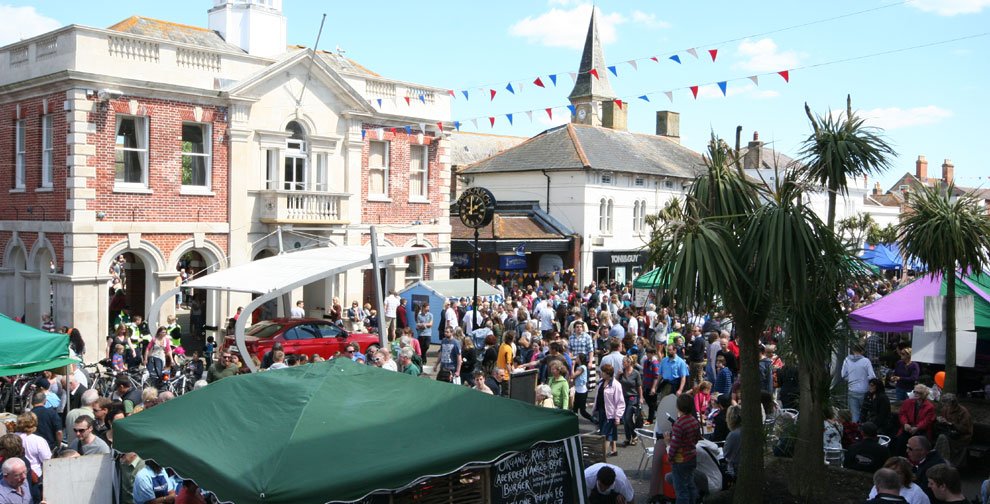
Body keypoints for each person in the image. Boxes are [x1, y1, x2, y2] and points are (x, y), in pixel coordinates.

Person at [664, 393, 701, 504]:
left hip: (680, 461)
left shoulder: (679, 424)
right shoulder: (694, 421)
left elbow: (674, 445)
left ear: (678, 407)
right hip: (692, 458)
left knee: (681, 491)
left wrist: (668, 449)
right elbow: (697, 439)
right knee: (690, 485)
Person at [866, 456, 931, 504]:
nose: (892, 476)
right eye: (890, 472)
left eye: (898, 473)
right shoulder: (879, 486)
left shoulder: (916, 492)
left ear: (906, 475)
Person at [592, 364, 625, 457]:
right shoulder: (601, 382)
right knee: (610, 432)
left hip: (610, 413)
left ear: (608, 373)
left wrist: (618, 417)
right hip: (601, 411)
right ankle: (614, 450)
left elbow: (620, 402)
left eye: (602, 372)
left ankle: (602, 455)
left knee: (605, 435)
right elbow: (598, 397)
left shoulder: (616, 385)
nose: (600, 373)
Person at [933, 393, 973, 467]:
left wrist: (950, 423)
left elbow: (965, 429)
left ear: (952, 403)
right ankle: (940, 460)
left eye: (946, 404)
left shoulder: (963, 412)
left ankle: (940, 460)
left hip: (961, 436)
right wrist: (940, 420)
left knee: (942, 438)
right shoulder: (945, 409)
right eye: (943, 404)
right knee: (942, 437)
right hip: (949, 433)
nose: (944, 406)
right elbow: (944, 422)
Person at [842, 344, 876, 423]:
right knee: (865, 413)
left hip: (852, 390)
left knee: (854, 414)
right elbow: (872, 376)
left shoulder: (847, 360)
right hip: (864, 390)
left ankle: (855, 428)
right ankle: (864, 428)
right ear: (862, 351)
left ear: (853, 351)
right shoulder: (866, 361)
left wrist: (851, 379)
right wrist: (864, 379)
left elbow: (843, 375)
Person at [907, 436, 944, 504]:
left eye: (910, 449)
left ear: (922, 451)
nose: (907, 451)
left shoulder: (932, 467)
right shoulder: (928, 459)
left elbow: (924, 492)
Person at [897, 385, 936, 450]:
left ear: (924, 394)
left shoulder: (930, 407)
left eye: (918, 393)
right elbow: (902, 414)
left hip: (922, 431)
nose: (916, 394)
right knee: (901, 441)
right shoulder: (907, 402)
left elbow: (927, 421)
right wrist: (905, 423)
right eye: (915, 392)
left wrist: (917, 427)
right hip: (908, 428)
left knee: (917, 444)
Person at [13, 413, 50, 480]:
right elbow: (47, 460)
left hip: (14, 474)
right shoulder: (38, 440)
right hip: (34, 476)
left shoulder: (11, 438)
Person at [618, 356, 643, 448]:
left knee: (628, 417)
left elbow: (639, 386)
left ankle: (634, 435)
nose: (622, 364)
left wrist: (641, 397)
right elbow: (616, 383)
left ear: (629, 363)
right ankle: (628, 438)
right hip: (623, 398)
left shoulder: (636, 373)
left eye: (624, 362)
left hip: (633, 397)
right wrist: (617, 375)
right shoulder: (622, 372)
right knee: (624, 419)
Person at [571, 353, 594, 421]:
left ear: (580, 359)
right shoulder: (579, 367)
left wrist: (573, 365)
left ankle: (594, 420)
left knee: (582, 411)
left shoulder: (582, 368)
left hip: (582, 391)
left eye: (577, 357)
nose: (576, 358)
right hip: (578, 390)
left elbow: (573, 376)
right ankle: (574, 423)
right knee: (575, 409)